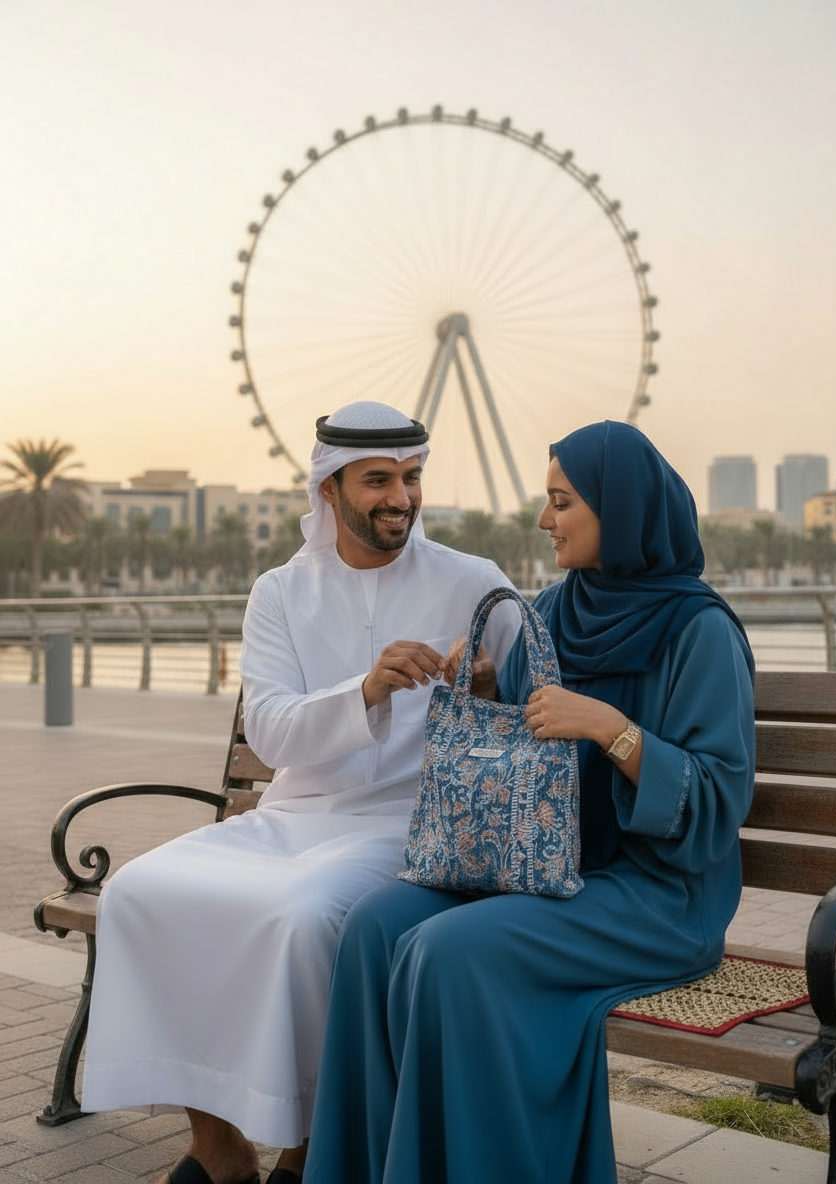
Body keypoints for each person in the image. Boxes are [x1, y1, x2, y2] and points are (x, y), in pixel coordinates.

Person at [302, 419, 756, 1184]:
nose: (544, 520)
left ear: (625, 510)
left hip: (656, 893)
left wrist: (614, 731)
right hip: (541, 868)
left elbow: (719, 800)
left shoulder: (698, 629)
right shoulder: (552, 609)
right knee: (375, 927)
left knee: (450, 952)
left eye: (562, 502)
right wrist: (486, 689)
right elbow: (526, 740)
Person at [81, 401, 521, 1184]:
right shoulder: (280, 591)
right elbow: (274, 733)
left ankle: (312, 1150)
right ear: (329, 490)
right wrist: (368, 689)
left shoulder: (475, 583)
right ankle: (218, 1150)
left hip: (409, 823)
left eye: (412, 477)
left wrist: (491, 683)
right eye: (378, 479)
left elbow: (533, 703)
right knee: (141, 890)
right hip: (292, 815)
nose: (401, 497)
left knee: (305, 914)